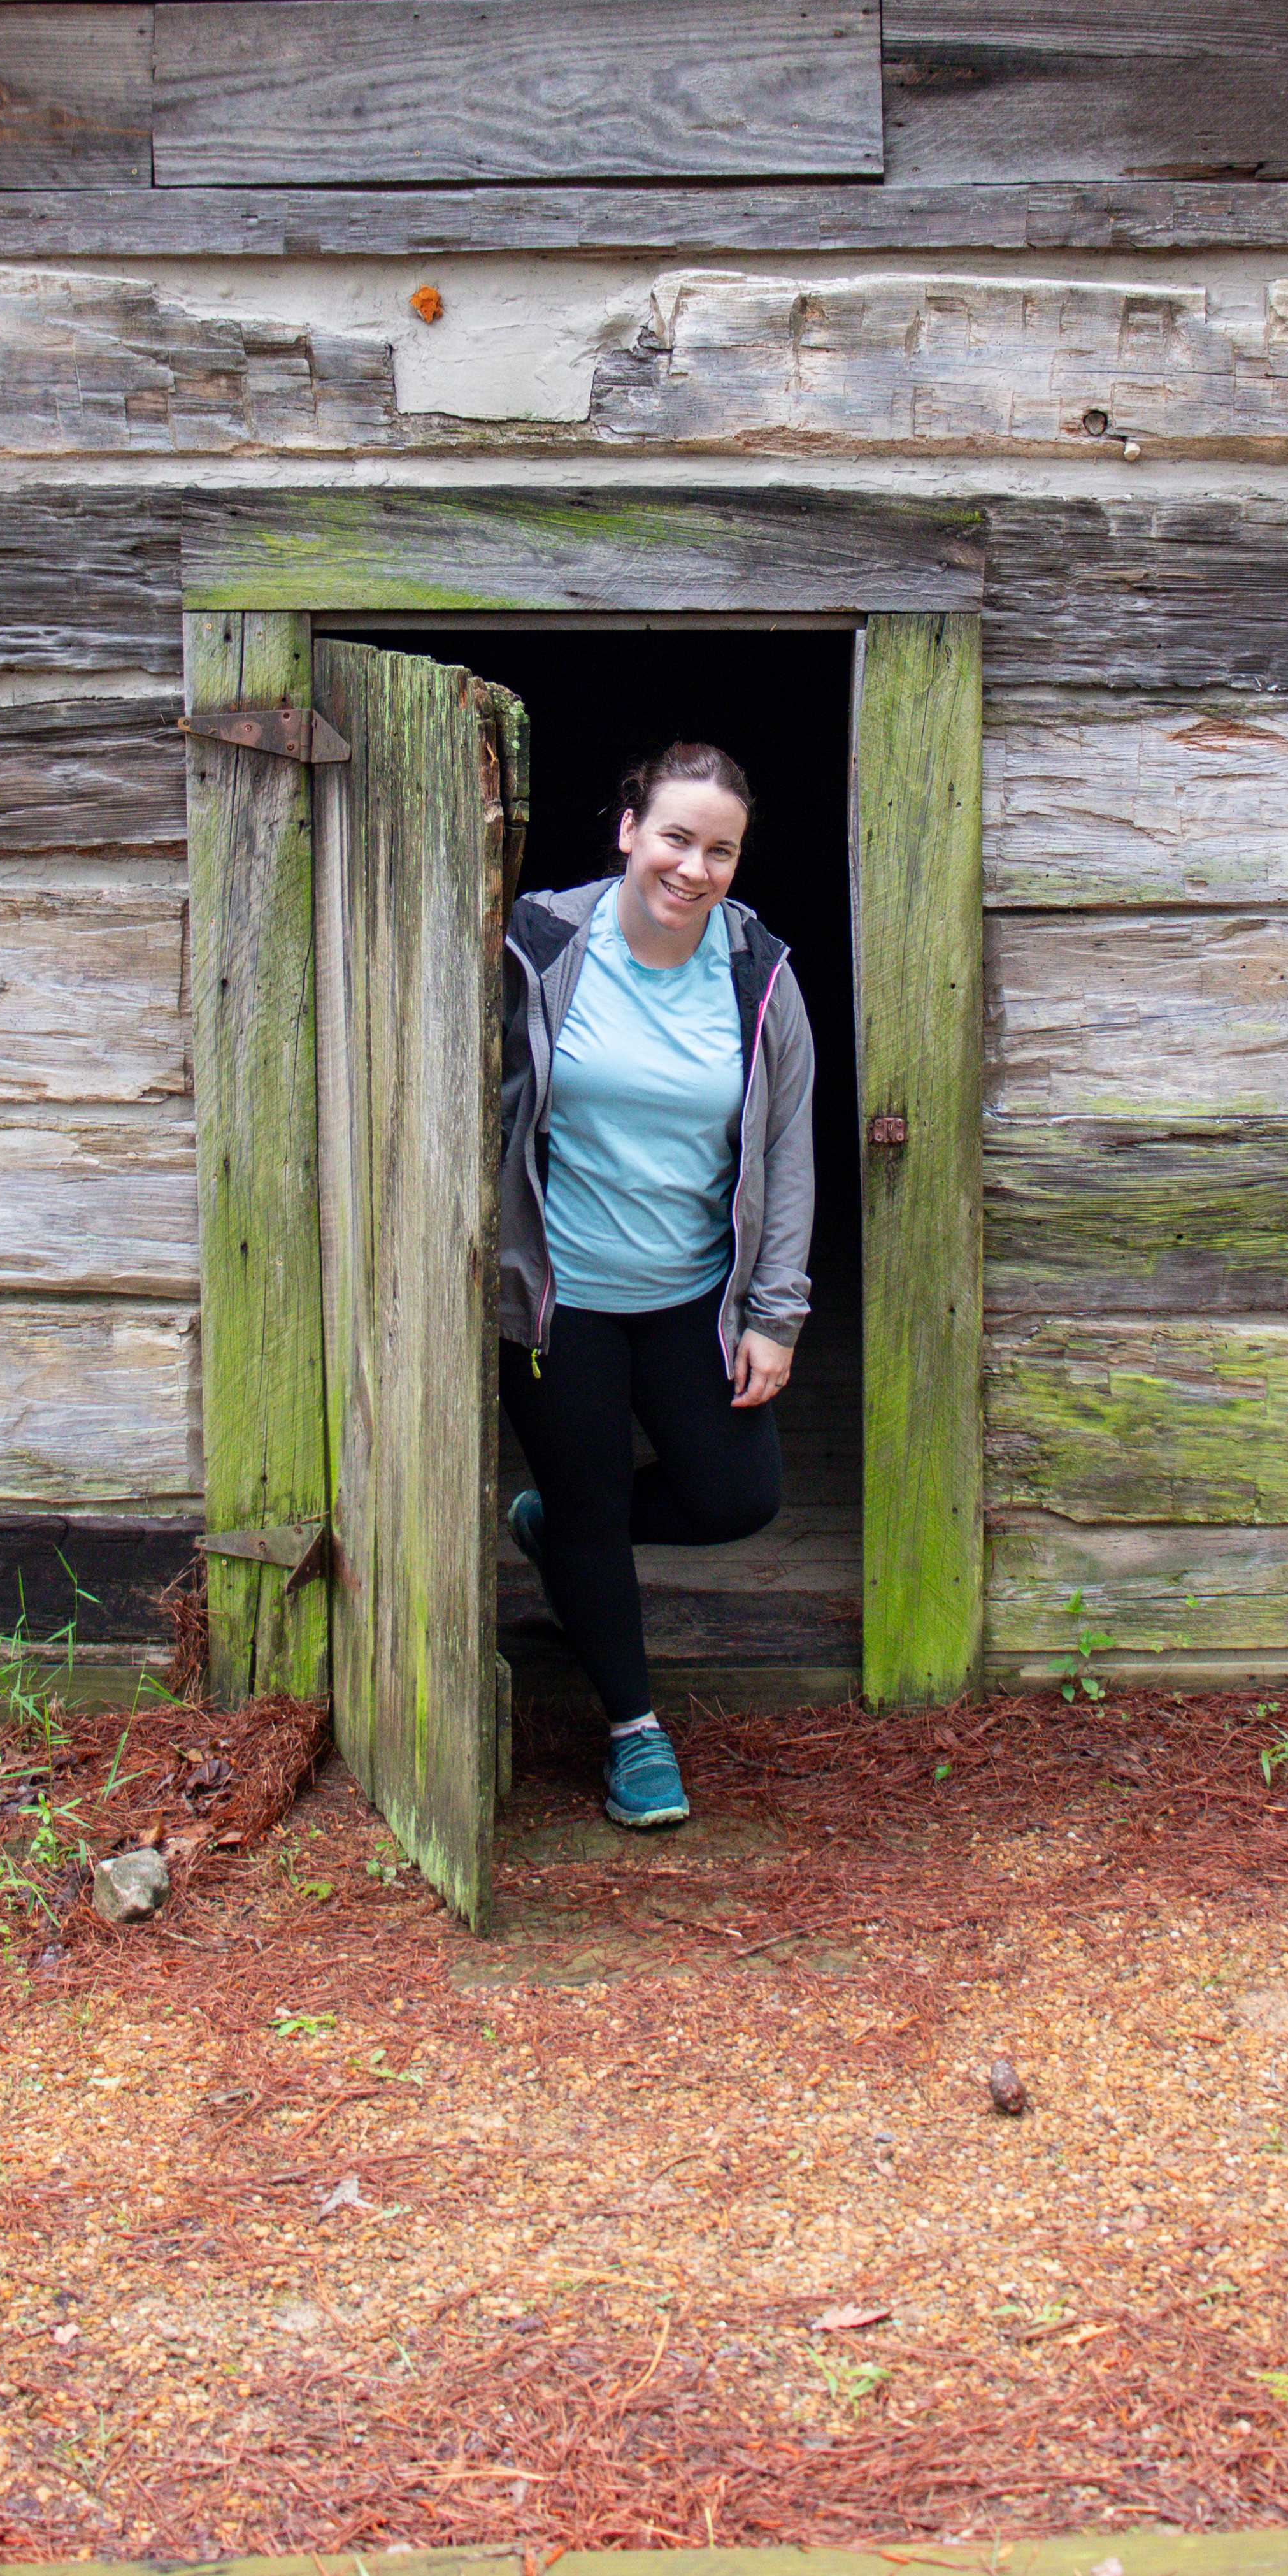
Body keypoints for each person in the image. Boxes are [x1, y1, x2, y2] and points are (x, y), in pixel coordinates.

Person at [496, 740, 817, 1831]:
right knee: (592, 1515)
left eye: (720, 850)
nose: (694, 867)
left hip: (694, 1296)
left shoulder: (758, 976)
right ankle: (635, 1735)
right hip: (561, 1300)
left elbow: (787, 1149)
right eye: (676, 837)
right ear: (629, 830)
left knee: (739, 1496)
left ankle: (561, 1529)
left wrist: (776, 1316)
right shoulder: (538, 946)